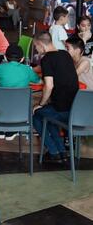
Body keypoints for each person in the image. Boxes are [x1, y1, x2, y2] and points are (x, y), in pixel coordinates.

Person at [32, 32, 79, 163]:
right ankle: (61, 151)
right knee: (48, 116)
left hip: (61, 110)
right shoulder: (65, 54)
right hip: (75, 109)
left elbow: (49, 85)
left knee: (36, 115)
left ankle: (54, 152)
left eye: (36, 46)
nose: (36, 49)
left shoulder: (46, 59)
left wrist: (40, 104)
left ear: (41, 44)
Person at [0, 44, 42, 139]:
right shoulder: (27, 70)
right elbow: (40, 82)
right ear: (22, 59)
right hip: (20, 115)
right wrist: (27, 81)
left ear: (5, 57)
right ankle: (12, 131)